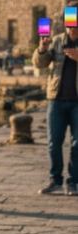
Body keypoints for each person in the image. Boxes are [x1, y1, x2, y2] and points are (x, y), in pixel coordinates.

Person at [33, 13, 78, 195]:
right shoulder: (57, 40)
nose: (72, 27)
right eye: (70, 23)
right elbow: (40, 63)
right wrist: (42, 48)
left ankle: (74, 182)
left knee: (77, 144)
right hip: (56, 100)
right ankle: (55, 180)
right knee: (53, 143)